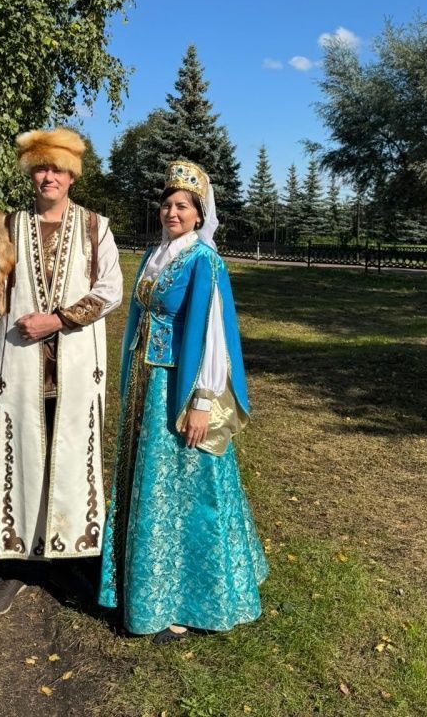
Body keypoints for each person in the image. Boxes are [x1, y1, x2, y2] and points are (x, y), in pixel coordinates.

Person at [98, 160, 267, 642]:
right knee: (152, 482)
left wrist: (202, 401)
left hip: (179, 387)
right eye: (167, 205)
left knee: (188, 485)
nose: (172, 212)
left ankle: (189, 597)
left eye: (182, 206)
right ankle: (143, 579)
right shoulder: (157, 254)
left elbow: (214, 335)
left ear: (199, 215)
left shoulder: (203, 260)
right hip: (146, 385)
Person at [0, 128, 123, 615]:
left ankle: (73, 556)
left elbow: (111, 290)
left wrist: (56, 320)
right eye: (40, 168)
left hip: (76, 371)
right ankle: (18, 564)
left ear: (72, 176)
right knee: (20, 459)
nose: (48, 176)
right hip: (18, 369)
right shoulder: (8, 228)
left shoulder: (96, 227)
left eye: (57, 168)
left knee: (73, 460)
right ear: (30, 175)